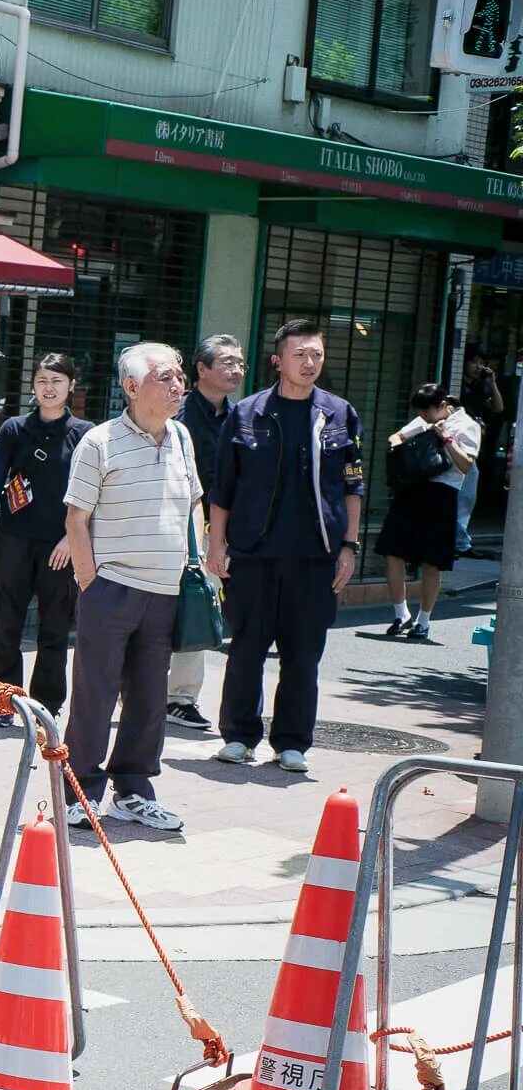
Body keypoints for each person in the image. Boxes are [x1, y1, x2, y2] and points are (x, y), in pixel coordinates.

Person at [209, 318, 365, 774]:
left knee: (303, 655)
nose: (309, 362)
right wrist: (216, 546)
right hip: (254, 554)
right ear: (279, 360)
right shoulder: (247, 414)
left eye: (316, 354)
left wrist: (349, 546)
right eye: (300, 354)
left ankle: (292, 742)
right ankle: (239, 736)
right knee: (246, 649)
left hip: (316, 558)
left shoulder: (339, 413)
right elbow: (223, 490)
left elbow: (353, 487)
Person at [58, 343, 199, 833]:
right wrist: (90, 583)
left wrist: (195, 566)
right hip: (111, 588)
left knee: (148, 697)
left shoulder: (182, 437)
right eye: (165, 377)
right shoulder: (99, 442)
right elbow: (77, 520)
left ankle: (134, 790)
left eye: (180, 376)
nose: (178, 384)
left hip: (165, 590)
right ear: (132, 387)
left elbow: (192, 508)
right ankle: (78, 792)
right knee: (95, 693)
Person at [0, 353, 88, 726]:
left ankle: (47, 706)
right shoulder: (13, 429)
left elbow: (91, 493)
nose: (48, 387)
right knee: (6, 621)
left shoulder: (86, 434)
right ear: (33, 385)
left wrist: (72, 540)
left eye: (57, 380)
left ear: (71, 385)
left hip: (60, 544)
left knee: (54, 628)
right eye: (42, 380)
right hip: (15, 539)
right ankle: (2, 703)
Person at [165, 333, 242, 733]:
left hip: (214, 530)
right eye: (227, 362)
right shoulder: (176, 415)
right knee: (155, 610)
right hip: (168, 525)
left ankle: (181, 698)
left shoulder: (242, 417)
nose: (236, 370)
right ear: (202, 369)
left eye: (240, 363)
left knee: (199, 604)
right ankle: (140, 689)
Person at [376, 383, 480, 642]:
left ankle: (424, 620)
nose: (423, 417)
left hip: (442, 495)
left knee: (432, 562)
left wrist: (445, 437)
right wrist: (409, 445)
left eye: (427, 412)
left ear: (443, 406)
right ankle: (401, 614)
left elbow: (466, 465)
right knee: (391, 550)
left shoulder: (467, 425)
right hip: (413, 489)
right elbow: (395, 437)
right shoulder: (424, 420)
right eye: (420, 413)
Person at [457, 346, 505, 556]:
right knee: (462, 495)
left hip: (471, 449)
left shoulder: (479, 388)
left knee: (466, 496)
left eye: (481, 362)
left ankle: (459, 540)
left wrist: (492, 383)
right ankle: (458, 542)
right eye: (473, 362)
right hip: (456, 447)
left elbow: (498, 407)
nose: (478, 367)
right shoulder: (457, 386)